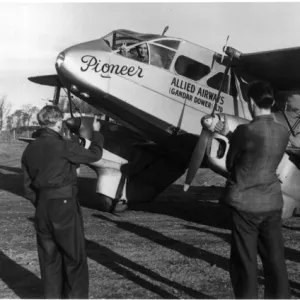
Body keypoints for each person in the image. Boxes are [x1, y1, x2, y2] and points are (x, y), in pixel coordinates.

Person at [21, 105, 104, 299]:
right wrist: (97, 135)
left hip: (42, 206)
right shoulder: (63, 145)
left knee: (49, 259)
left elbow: (27, 187)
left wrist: (42, 202)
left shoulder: (29, 149)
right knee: (74, 258)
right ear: (58, 122)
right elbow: (94, 155)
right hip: (64, 205)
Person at [217, 81, 290, 299]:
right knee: (275, 260)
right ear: (273, 102)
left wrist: (230, 137)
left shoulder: (244, 130)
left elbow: (231, 163)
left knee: (245, 262)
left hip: (245, 205)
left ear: (250, 102)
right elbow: (260, 149)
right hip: (272, 202)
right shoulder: (283, 132)